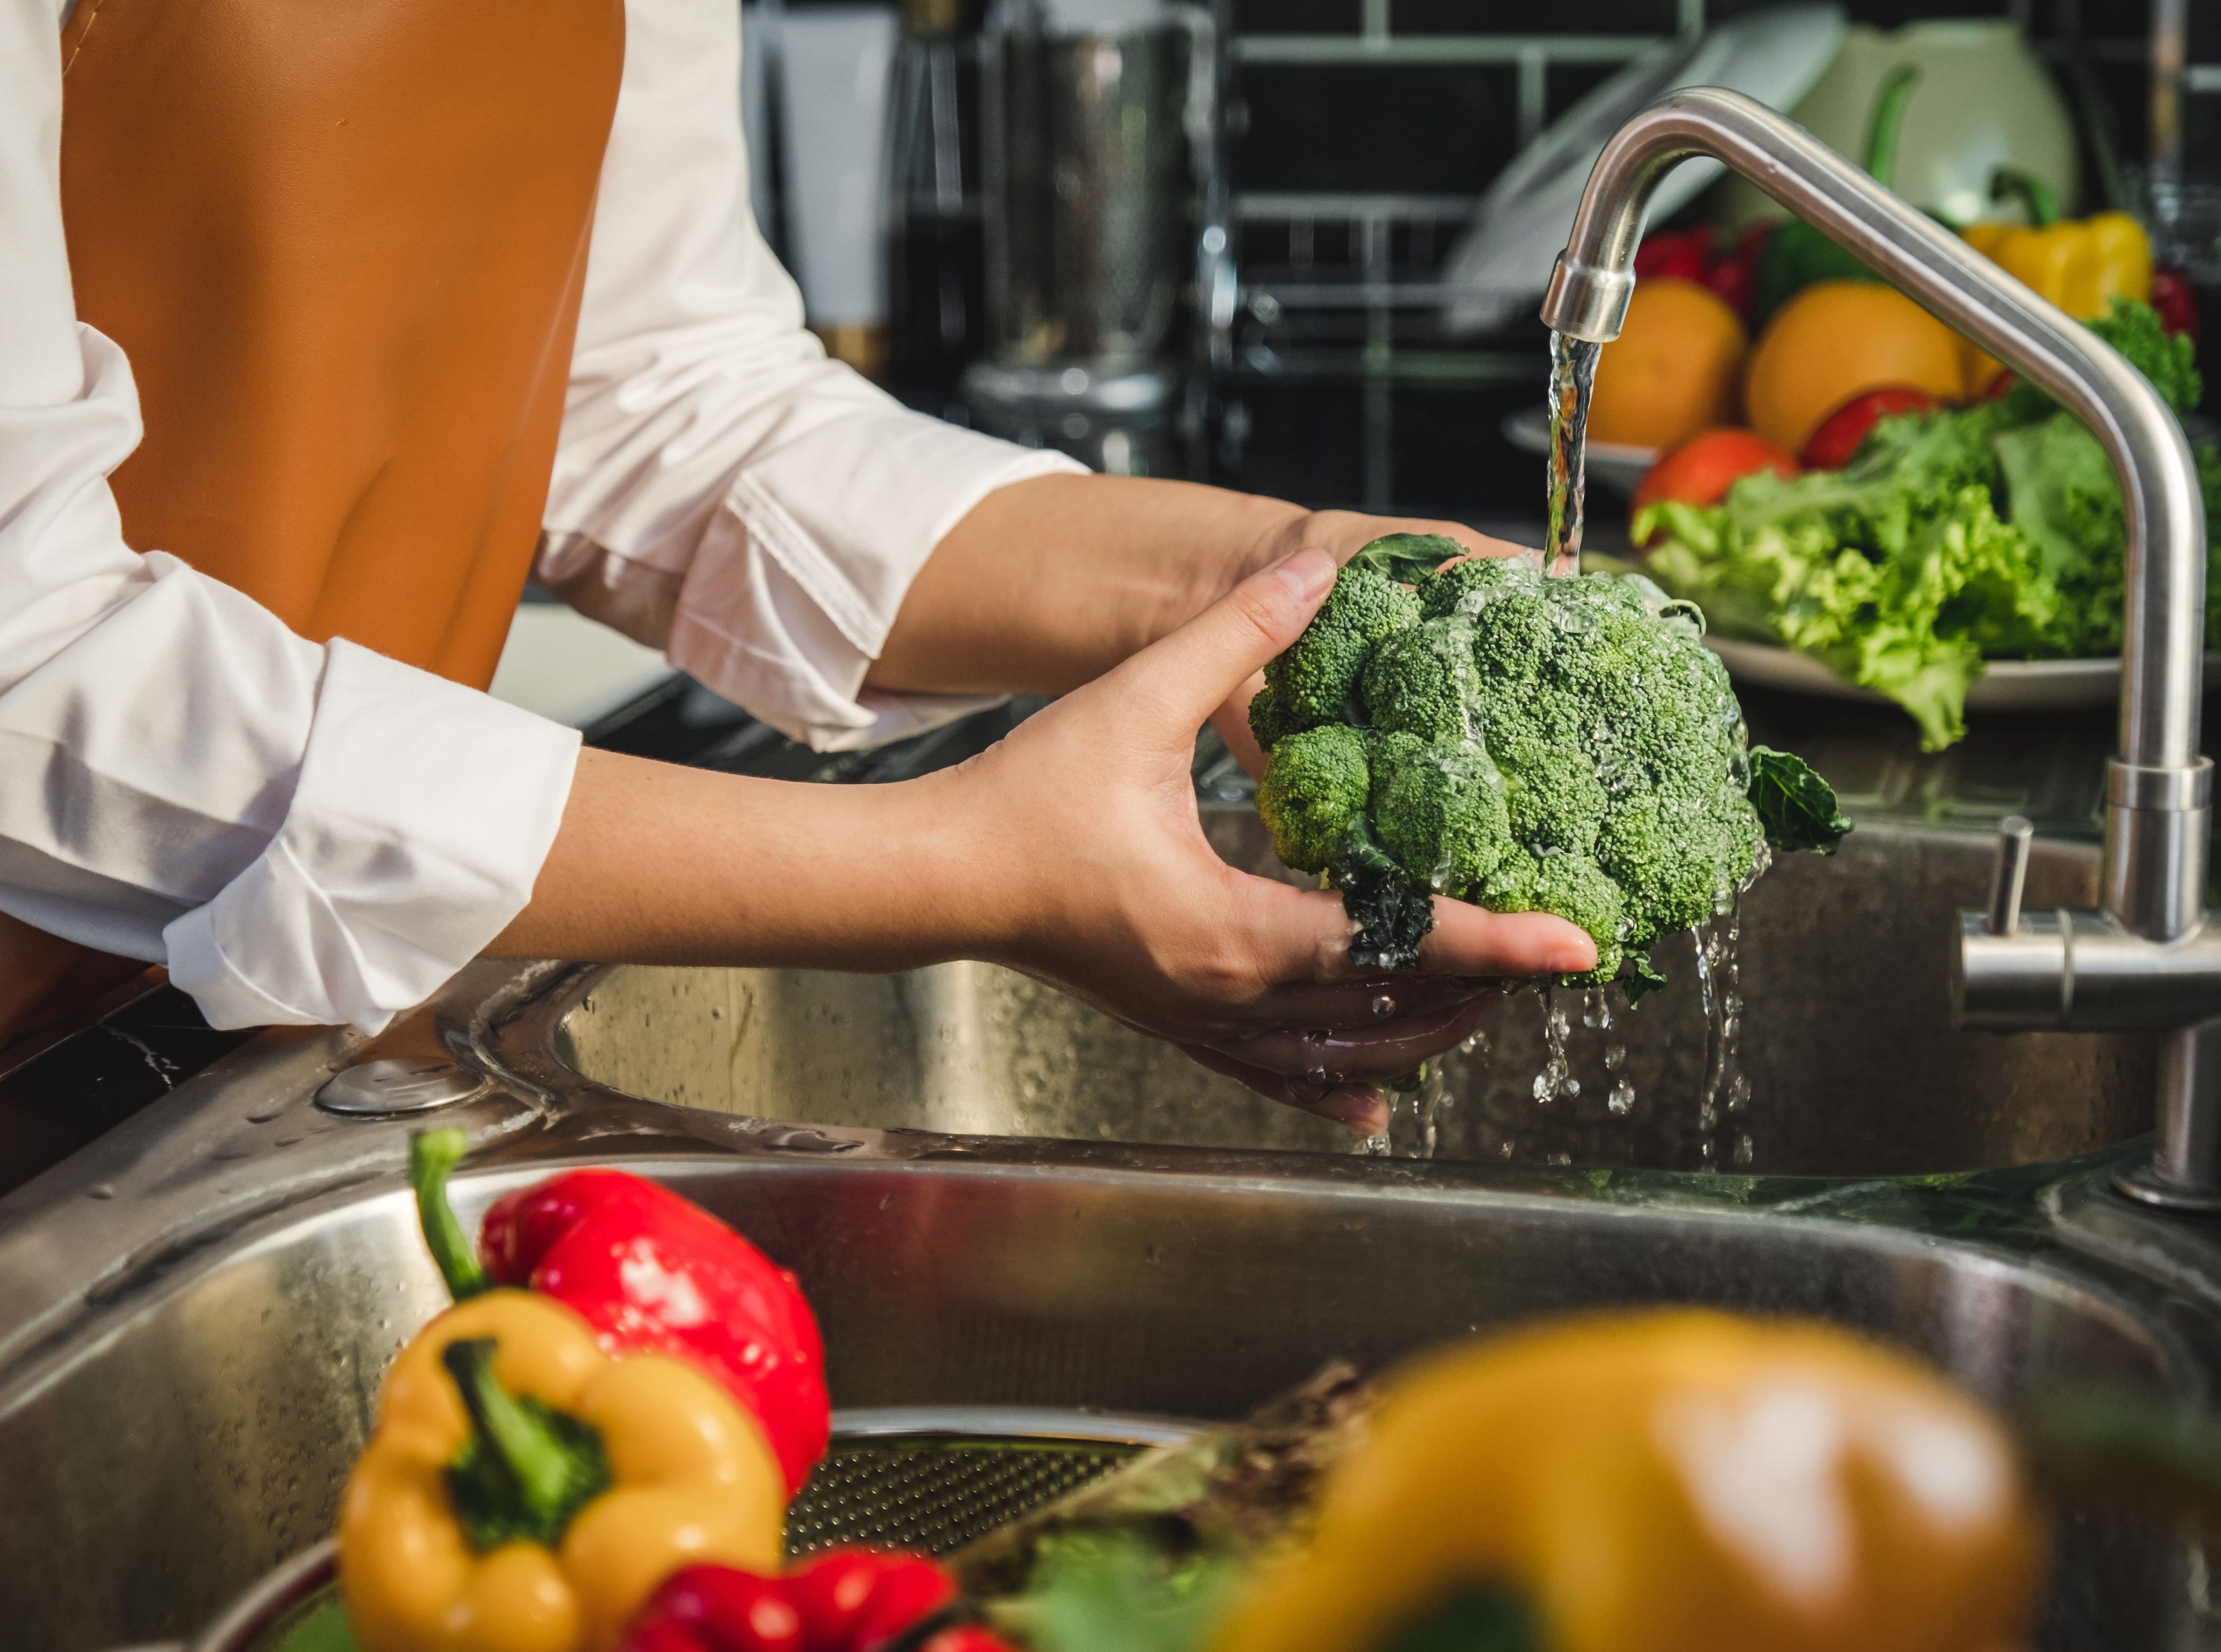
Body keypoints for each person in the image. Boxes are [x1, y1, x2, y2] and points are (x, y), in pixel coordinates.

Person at [0, 0, 1594, 1134]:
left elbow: (663, 394)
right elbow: (25, 649)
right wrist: (957, 866)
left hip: (246, 1034)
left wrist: (1263, 572)